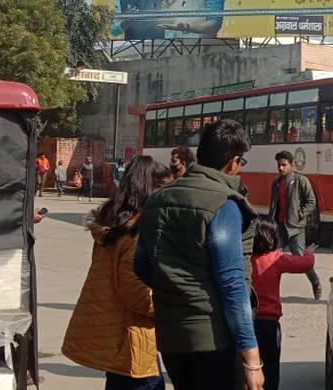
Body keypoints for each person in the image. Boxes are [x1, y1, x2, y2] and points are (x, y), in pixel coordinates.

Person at [134, 119, 264, 390]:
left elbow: (141, 266)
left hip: (171, 337)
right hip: (213, 339)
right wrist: (252, 358)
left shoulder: (158, 200)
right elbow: (232, 283)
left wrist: (176, 291)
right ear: (234, 161)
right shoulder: (223, 203)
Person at [63, 156, 172, 390]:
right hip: (132, 334)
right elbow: (136, 291)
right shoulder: (137, 231)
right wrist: (171, 304)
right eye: (165, 188)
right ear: (150, 188)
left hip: (117, 330)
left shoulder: (112, 223)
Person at [250, 216, 315, 390]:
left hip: (248, 323)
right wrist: (308, 252)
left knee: (249, 367)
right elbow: (304, 264)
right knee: (271, 368)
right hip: (270, 325)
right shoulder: (276, 259)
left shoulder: (245, 259)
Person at [267, 150, 321, 299]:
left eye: (284, 165)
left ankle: (315, 281)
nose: (281, 168)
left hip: (295, 228)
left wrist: (300, 215)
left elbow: (311, 202)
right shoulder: (276, 183)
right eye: (279, 165)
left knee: (301, 259)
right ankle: (272, 293)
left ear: (291, 165)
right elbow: (273, 206)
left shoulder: (300, 180)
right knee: (272, 259)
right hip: (279, 226)